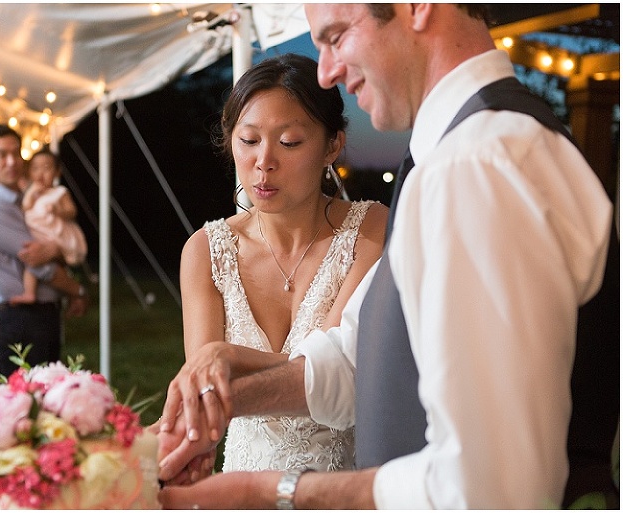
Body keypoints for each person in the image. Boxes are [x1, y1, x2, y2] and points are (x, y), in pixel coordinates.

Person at [156, 4, 617, 509]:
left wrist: (275, 492)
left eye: (336, 36)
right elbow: (360, 361)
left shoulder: (477, 163)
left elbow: (487, 486)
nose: (326, 69)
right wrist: (225, 402)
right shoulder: (447, 157)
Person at [179, 53, 387, 474]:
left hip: (341, 492)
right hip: (239, 489)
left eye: (289, 142)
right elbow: (204, 392)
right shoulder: (205, 251)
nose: (263, 161)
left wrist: (227, 357)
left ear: (332, 145)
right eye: (249, 140)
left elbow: (341, 368)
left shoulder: (372, 230)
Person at [0, 124, 89, 378]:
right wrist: (78, 291)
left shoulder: (23, 199)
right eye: (1, 155)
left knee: (47, 402)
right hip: (21, 320)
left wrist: (57, 248)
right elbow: (40, 263)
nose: (12, 161)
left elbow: (51, 249)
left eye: (17, 153)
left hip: (40, 315)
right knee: (31, 407)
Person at [10, 149, 87, 305]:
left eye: (46, 168)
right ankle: (30, 292)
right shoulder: (31, 193)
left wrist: (59, 210)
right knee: (32, 263)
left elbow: (72, 211)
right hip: (38, 235)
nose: (41, 173)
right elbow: (25, 209)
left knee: (50, 265)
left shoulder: (59, 192)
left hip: (55, 236)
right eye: (35, 168)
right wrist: (31, 194)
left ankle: (70, 293)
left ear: (57, 172)